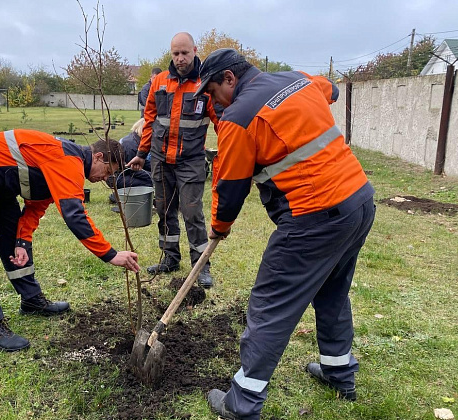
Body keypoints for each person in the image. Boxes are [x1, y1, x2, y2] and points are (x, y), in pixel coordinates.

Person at [195, 49, 376, 420]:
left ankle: (241, 404)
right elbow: (332, 90)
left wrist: (218, 228)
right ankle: (338, 372)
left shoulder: (239, 117)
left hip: (316, 217)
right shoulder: (295, 79)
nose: (214, 102)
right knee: (331, 290)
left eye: (213, 93)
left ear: (230, 78)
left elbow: (229, 190)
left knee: (270, 305)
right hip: (359, 201)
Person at [0, 130, 140, 352]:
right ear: (97, 157)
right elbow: (74, 215)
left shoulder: (61, 164)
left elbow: (36, 205)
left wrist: (22, 241)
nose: (104, 179)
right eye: (107, 171)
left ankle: (31, 300)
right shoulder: (68, 161)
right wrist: (111, 255)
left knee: (12, 238)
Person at [128, 32, 220, 288]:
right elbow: (149, 122)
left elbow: (222, 123)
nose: (180, 59)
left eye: (185, 53)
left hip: (190, 161)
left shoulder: (205, 83)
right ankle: (170, 257)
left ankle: (201, 266)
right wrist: (141, 154)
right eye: (175, 54)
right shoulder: (158, 82)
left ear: (194, 50)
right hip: (160, 159)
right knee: (164, 209)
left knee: (192, 213)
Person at [106, 118, 152, 203]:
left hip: (124, 174)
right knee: (149, 183)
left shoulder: (135, 140)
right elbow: (131, 170)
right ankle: (118, 197)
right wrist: (153, 176)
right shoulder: (130, 145)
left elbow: (144, 163)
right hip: (118, 177)